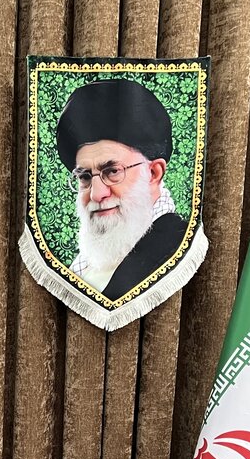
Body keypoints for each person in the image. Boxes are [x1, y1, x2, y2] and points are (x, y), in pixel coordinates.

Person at [55, 79, 188, 300]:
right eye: (85, 177)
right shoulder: (85, 263)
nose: (97, 194)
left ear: (153, 173)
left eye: (112, 172)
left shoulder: (178, 248)